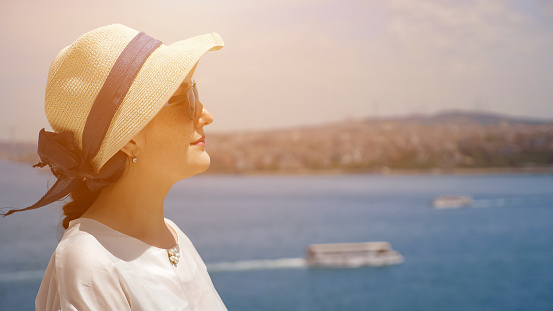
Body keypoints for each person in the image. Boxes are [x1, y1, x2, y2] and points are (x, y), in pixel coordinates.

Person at [1, 24, 228, 310]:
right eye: (183, 98)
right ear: (128, 139)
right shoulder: (89, 263)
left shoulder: (173, 236)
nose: (205, 115)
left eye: (193, 91)